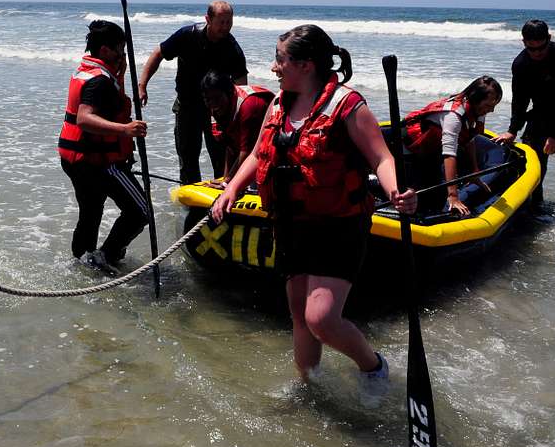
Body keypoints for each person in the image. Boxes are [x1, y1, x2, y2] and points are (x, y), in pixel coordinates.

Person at [211, 25, 416, 408]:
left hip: (338, 225)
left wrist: (395, 191)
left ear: (305, 65)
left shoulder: (347, 106)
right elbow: (258, 154)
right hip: (291, 223)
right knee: (298, 314)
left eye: (280, 59)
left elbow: (382, 158)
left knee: (321, 318)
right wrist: (231, 190)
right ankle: (308, 384)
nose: (273, 67)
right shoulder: (278, 105)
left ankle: (373, 366)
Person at [58, 20, 150, 274]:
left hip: (77, 158)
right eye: (120, 47)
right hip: (97, 161)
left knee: (91, 212)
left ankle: (82, 261)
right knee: (141, 211)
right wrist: (125, 129)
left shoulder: (90, 70)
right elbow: (84, 118)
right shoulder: (99, 80)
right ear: (105, 50)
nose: (123, 52)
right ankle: (107, 256)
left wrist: (119, 73)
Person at [137, 0, 248, 184]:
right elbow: (158, 54)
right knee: (188, 159)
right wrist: (142, 85)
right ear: (208, 19)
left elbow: (242, 86)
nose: (226, 27)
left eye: (229, 22)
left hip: (217, 112)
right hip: (187, 106)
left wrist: (237, 119)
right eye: (221, 22)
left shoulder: (232, 48)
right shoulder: (187, 35)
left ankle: (221, 199)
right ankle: (191, 205)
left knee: (221, 160)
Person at [493, 20, 555, 209]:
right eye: (531, 49)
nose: (536, 53)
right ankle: (535, 212)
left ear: (549, 39)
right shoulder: (521, 64)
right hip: (540, 116)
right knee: (532, 169)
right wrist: (513, 130)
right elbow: (520, 100)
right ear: (524, 42)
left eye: (541, 48)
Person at [403, 76, 503, 216]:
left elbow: (470, 138)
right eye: (488, 105)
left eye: (494, 105)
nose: (491, 110)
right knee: (417, 196)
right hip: (410, 150)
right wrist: (453, 196)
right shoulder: (453, 116)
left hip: (432, 149)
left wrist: (474, 172)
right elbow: (449, 154)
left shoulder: (477, 110)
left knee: (436, 193)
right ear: (475, 99)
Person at [200, 70, 274, 186]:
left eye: (217, 98)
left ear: (229, 92)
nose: (213, 104)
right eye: (208, 99)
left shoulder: (249, 105)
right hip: (252, 149)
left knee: (255, 184)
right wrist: (225, 179)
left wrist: (227, 183)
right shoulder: (216, 106)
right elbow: (230, 145)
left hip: (274, 149)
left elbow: (247, 151)